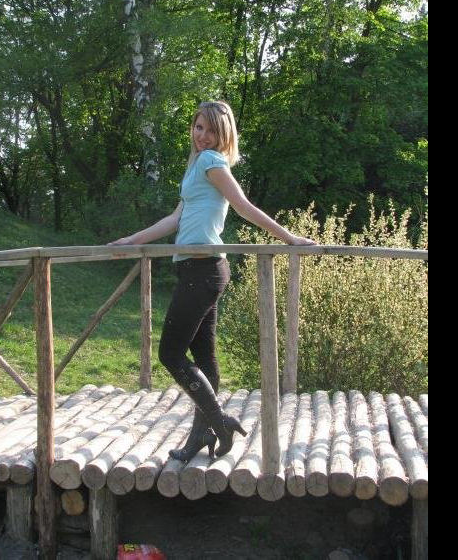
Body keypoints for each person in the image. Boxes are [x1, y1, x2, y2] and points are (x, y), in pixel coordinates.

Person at [109, 100, 316, 462]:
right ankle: (200, 435)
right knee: (203, 357)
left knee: (170, 353)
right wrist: (132, 240)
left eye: (211, 130)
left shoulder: (210, 161)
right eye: (198, 127)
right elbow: (175, 219)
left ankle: (218, 422)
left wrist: (289, 239)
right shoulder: (196, 167)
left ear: (224, 135)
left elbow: (243, 206)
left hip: (202, 271)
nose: (202, 136)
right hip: (198, 270)